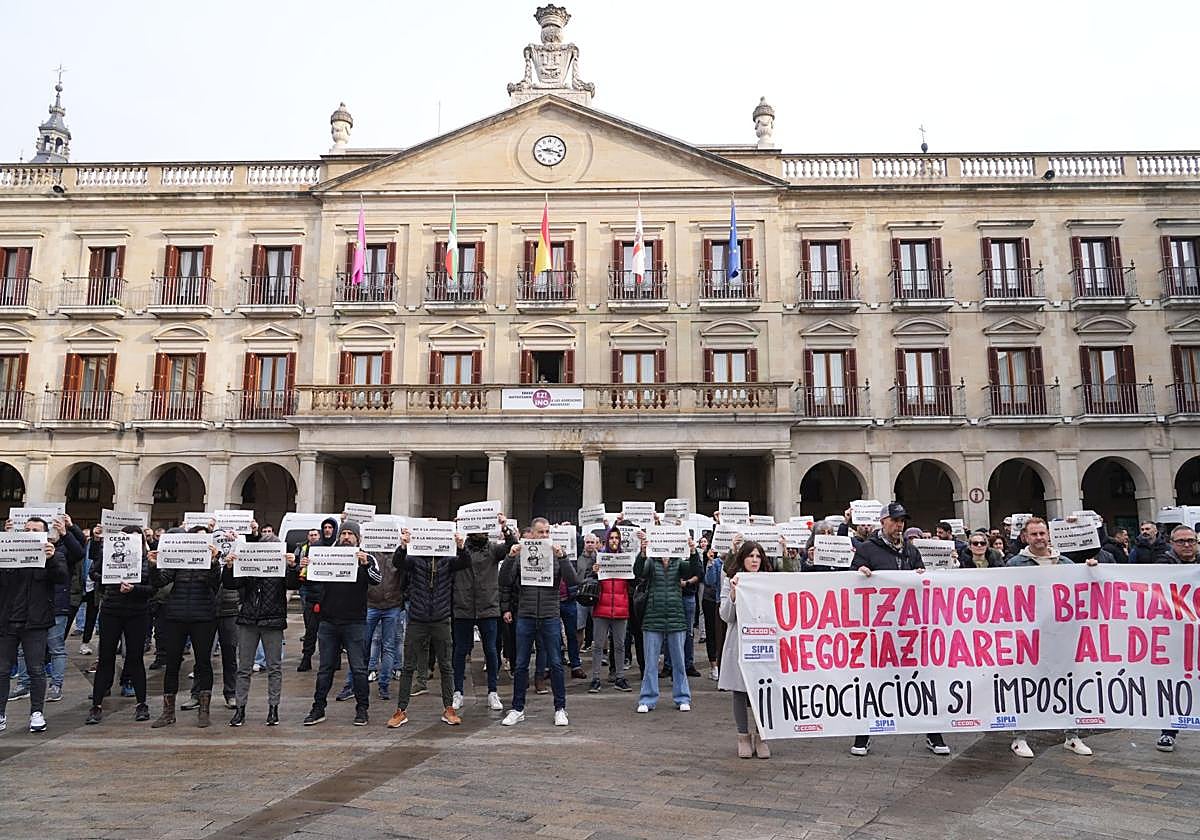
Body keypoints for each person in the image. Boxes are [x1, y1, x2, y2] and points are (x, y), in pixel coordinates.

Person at [849, 502, 951, 757]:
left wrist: (919, 575)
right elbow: (850, 578)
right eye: (895, 521)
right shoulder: (867, 549)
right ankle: (864, 734)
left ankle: (933, 734)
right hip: (878, 628)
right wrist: (858, 573)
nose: (899, 525)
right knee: (873, 681)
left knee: (921, 679)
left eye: (902, 521)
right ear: (883, 521)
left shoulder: (910, 550)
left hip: (910, 628)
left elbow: (922, 580)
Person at [1006, 516, 1098, 758]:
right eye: (1034, 534)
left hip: (1062, 636)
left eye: (1042, 533)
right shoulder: (1015, 564)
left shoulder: (1066, 562)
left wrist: (1090, 570)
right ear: (1025, 537)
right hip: (1031, 637)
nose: (1039, 538)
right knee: (1028, 685)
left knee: (1067, 684)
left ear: (1049, 535)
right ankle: (1020, 737)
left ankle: (1072, 735)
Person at [387, 526, 471, 728]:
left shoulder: (448, 560)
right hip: (417, 618)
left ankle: (448, 708)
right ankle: (401, 710)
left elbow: (465, 563)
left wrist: (461, 547)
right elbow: (398, 562)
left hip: (441, 618)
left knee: (446, 666)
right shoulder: (414, 559)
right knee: (409, 666)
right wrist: (403, 546)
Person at [498, 517, 576, 727]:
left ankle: (560, 708)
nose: (544, 536)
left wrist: (563, 557)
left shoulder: (555, 555)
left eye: (547, 532)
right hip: (526, 614)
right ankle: (517, 708)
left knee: (556, 663)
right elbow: (504, 580)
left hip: (550, 614)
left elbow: (572, 581)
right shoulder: (521, 554)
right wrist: (510, 557)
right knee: (522, 663)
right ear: (531, 534)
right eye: (540, 532)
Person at [304, 520, 381, 726]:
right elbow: (310, 581)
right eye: (344, 533)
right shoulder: (328, 554)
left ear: (358, 538)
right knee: (325, 668)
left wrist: (366, 564)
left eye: (351, 534)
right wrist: (304, 568)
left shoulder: (366, 557)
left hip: (354, 622)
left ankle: (362, 709)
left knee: (358, 668)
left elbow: (377, 580)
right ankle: (318, 708)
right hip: (328, 622)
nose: (346, 537)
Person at [150, 528, 223, 728]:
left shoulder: (211, 562)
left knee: (203, 663)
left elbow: (215, 583)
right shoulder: (178, 560)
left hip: (203, 616)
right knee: (172, 663)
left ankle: (204, 710)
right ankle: (168, 712)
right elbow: (159, 581)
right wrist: (154, 565)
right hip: (176, 615)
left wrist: (214, 561)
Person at [222, 533, 298, 726]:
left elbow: (293, 584)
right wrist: (230, 567)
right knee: (244, 667)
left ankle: (273, 709)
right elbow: (232, 584)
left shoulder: (280, 567)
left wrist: (291, 567)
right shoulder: (250, 566)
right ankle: (240, 709)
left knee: (274, 667)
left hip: (273, 620)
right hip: (249, 619)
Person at [0, 517, 68, 733]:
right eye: (27, 529)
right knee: (2, 670)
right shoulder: (9, 553)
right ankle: (1, 714)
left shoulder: (53, 555)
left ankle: (36, 713)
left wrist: (50, 558)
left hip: (35, 623)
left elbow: (61, 577)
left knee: (36, 669)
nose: (30, 532)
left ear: (45, 534)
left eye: (35, 530)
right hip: (8, 621)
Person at [86, 525, 154, 725]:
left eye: (136, 539)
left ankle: (142, 704)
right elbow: (93, 573)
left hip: (137, 613)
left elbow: (152, 588)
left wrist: (134, 589)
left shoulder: (146, 561)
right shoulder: (108, 555)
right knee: (105, 657)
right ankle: (96, 705)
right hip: (111, 610)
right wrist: (110, 580)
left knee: (135, 658)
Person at [449, 514, 515, 714]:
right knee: (460, 651)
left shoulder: (494, 549)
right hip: (463, 606)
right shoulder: (459, 548)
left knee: (491, 651)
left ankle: (492, 692)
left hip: (488, 607)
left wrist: (505, 528)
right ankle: (458, 692)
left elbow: (512, 545)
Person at [632, 529, 696, 714]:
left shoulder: (679, 562)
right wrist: (643, 553)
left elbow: (692, 570)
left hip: (676, 617)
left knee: (679, 661)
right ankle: (647, 699)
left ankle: (682, 697)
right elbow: (639, 572)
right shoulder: (651, 561)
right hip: (653, 617)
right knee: (651, 662)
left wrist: (692, 551)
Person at [720, 540, 773, 758]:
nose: (754, 560)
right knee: (740, 691)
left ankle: (762, 736)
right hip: (740, 642)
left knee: (764, 692)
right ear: (743, 558)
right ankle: (743, 735)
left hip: (764, 643)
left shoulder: (769, 582)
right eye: (750, 556)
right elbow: (725, 616)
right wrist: (733, 595)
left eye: (758, 556)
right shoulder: (731, 581)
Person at [1155, 524, 1197, 753]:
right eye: (1181, 541)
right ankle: (1168, 732)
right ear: (1172, 543)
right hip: (1173, 636)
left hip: (1196, 634)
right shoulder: (1163, 565)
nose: (1187, 545)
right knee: (1174, 684)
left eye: (1191, 540)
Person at [584, 525, 632, 693]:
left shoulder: (626, 559)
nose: (614, 541)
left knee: (619, 646)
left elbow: (633, 581)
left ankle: (620, 677)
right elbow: (586, 579)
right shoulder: (599, 557)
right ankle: (595, 679)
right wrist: (593, 572)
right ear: (606, 540)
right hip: (601, 608)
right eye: (611, 538)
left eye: (616, 538)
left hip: (620, 608)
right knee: (598, 646)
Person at [295, 524, 329, 672]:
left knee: (328, 632)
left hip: (328, 598)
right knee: (310, 631)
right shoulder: (306, 550)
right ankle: (306, 658)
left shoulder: (331, 549)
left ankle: (331, 660)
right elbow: (298, 574)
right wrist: (298, 566)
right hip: (312, 596)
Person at [73, 523, 102, 656]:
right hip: (78, 587)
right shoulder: (78, 549)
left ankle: (85, 642)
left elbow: (95, 557)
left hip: (93, 588)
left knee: (91, 616)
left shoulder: (99, 547)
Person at [701, 544, 723, 681]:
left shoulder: (736, 561)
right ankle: (714, 666)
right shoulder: (714, 561)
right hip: (711, 600)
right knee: (712, 633)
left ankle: (722, 666)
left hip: (725, 601)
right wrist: (710, 562)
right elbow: (709, 581)